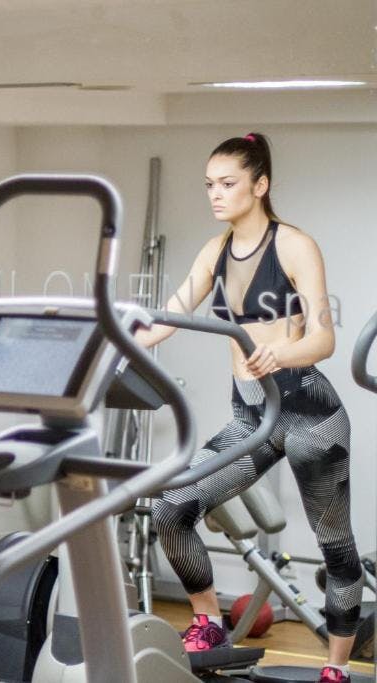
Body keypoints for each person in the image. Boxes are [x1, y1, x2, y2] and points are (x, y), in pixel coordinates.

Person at [138, 133, 362, 683]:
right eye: (209, 185)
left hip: (309, 416)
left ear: (260, 185)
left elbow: (324, 339)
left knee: (335, 547)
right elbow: (167, 319)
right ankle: (208, 623)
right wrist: (113, 338)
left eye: (228, 183)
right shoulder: (214, 251)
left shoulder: (294, 246)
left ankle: (335, 668)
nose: (215, 194)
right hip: (251, 419)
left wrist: (280, 352)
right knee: (172, 508)